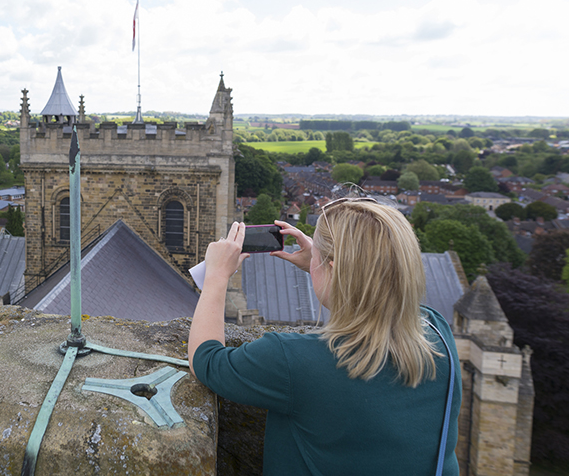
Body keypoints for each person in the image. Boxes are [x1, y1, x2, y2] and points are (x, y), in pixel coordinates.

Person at [188, 199, 461, 475]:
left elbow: (206, 360)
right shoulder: (438, 331)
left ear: (333, 267)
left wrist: (217, 277)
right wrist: (321, 267)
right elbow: (382, 295)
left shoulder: (294, 359)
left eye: (317, 254)